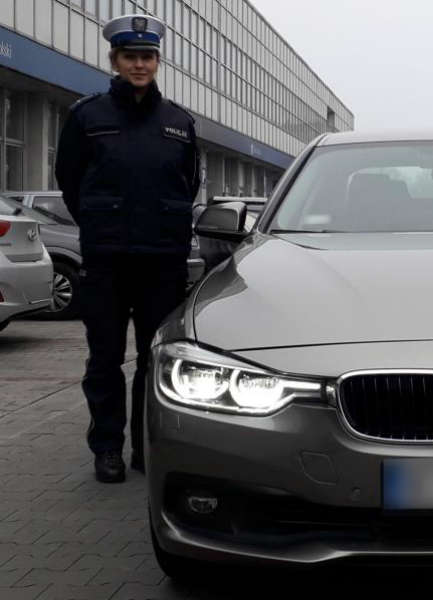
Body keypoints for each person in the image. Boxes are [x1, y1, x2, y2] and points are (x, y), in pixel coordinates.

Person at [56, 14, 201, 483]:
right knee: (105, 360)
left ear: (158, 61)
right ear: (114, 60)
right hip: (107, 261)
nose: (139, 65)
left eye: (147, 57)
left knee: (154, 359)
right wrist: (102, 227)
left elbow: (189, 184)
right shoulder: (87, 116)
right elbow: (70, 180)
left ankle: (145, 448)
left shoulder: (179, 122)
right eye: (130, 56)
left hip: (162, 262)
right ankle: (107, 449)